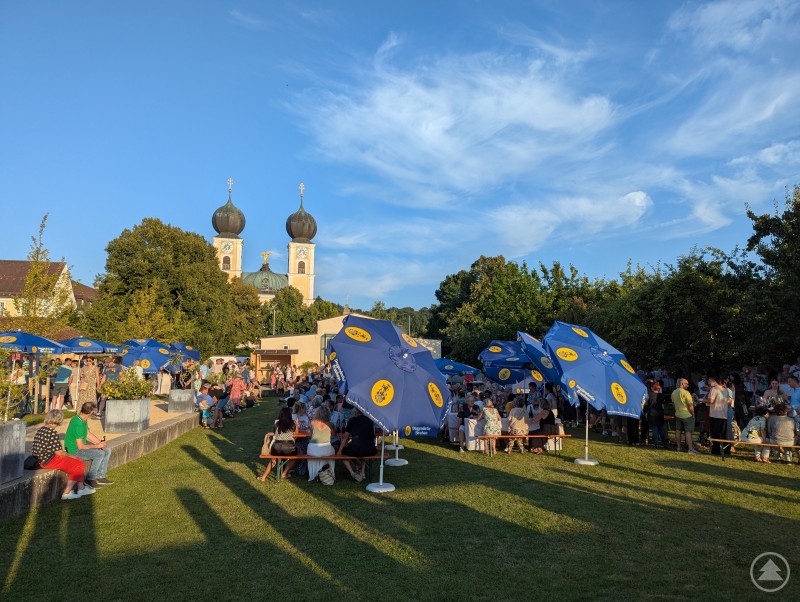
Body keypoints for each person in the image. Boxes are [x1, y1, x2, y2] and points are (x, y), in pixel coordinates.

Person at [31, 409, 95, 500]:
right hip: (49, 460)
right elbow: (59, 452)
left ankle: (81, 488)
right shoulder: (51, 432)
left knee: (78, 463)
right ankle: (67, 492)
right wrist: (72, 456)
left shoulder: (41, 430)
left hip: (41, 459)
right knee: (79, 464)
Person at [64, 402, 114, 487]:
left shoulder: (82, 419)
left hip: (79, 448)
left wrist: (100, 443)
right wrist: (97, 446)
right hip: (74, 451)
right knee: (99, 453)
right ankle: (90, 479)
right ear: (91, 412)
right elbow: (80, 447)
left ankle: (101, 476)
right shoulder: (78, 424)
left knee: (107, 450)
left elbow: (87, 434)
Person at [337, 406, 377, 482]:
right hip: (371, 449)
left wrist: (339, 451)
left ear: (356, 411)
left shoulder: (352, 420)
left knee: (343, 454)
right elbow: (373, 435)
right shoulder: (371, 420)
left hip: (357, 449)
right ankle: (362, 472)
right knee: (362, 449)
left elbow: (346, 437)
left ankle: (353, 473)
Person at [258, 407, 298, 481]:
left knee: (273, 458)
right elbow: (296, 434)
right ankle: (284, 473)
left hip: (277, 447)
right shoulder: (293, 423)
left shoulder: (277, 422)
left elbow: (275, 434)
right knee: (295, 457)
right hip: (289, 447)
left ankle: (263, 477)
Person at [307, 405, 336, 482]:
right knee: (332, 450)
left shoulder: (313, 423)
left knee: (322, 451)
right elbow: (334, 435)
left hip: (312, 449)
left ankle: (315, 473)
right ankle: (327, 472)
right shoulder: (330, 424)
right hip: (325, 448)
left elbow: (311, 435)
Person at [671, 378, 698, 454]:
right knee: (688, 431)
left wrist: (677, 410)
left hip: (678, 414)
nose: (688, 385)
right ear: (682, 384)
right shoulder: (686, 393)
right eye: (687, 384)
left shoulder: (674, 392)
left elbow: (673, 404)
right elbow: (690, 405)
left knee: (678, 430)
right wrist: (693, 414)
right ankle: (690, 449)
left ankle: (678, 447)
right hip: (687, 414)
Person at [706, 377, 730, 455]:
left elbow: (711, 401)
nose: (709, 383)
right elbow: (729, 401)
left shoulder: (714, 389)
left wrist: (702, 400)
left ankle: (716, 451)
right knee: (724, 433)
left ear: (715, 381)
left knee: (715, 433)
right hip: (724, 414)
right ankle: (726, 450)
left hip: (715, 414)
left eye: (710, 381)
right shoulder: (725, 390)